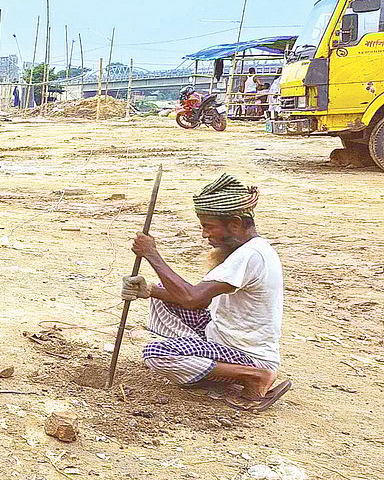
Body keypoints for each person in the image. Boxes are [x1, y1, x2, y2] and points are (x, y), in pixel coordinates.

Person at [121, 174, 289, 411]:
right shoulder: (246, 250)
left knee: (156, 354)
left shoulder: (251, 255)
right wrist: (149, 291)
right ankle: (207, 367)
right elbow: (200, 301)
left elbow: (192, 298)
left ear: (235, 224)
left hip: (245, 352)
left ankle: (255, 375)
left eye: (208, 227)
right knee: (162, 293)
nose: (204, 234)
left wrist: (151, 254)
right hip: (220, 334)